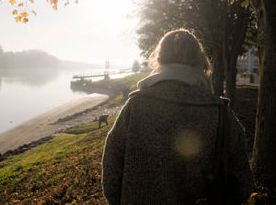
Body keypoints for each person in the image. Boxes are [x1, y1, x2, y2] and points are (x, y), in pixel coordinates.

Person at [102, 29, 253, 204]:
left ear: (158, 60)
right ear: (201, 61)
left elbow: (111, 171)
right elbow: (243, 184)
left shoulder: (135, 106)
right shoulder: (221, 113)